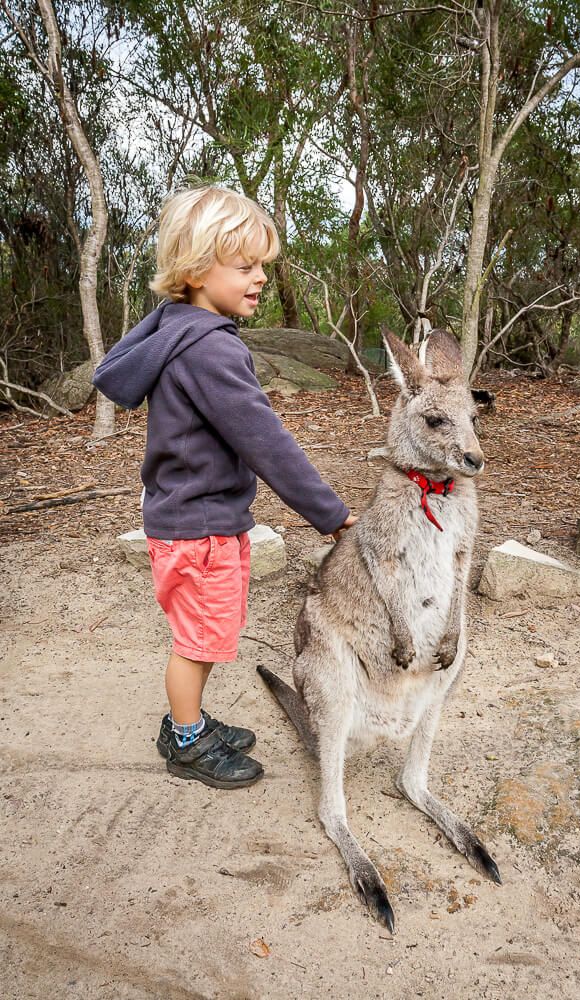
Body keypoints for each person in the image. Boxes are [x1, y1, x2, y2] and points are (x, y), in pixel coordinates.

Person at [93, 185, 356, 790]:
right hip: (201, 528)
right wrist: (333, 515)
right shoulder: (209, 348)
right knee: (199, 640)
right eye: (244, 266)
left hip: (189, 519)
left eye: (262, 264)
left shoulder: (175, 326)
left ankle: (187, 722)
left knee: (205, 632)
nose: (260, 277)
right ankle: (185, 739)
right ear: (194, 271)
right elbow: (265, 442)